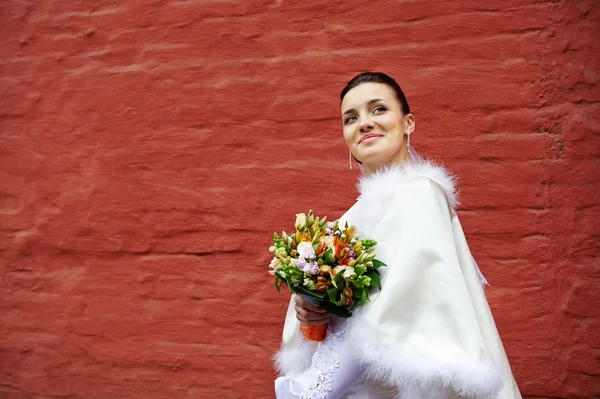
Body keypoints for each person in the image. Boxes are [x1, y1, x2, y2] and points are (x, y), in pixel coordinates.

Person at [273, 72, 522, 399]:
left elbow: (398, 310)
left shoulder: (419, 193)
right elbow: (347, 318)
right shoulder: (347, 222)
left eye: (378, 109)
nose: (364, 123)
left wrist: (315, 390)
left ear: (408, 123)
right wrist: (312, 307)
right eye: (351, 118)